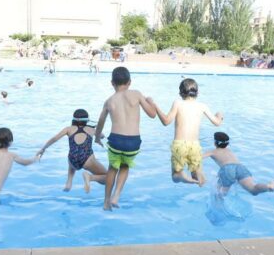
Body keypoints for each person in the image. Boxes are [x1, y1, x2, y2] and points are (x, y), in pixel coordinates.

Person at [95, 67, 157, 210]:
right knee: (125, 165)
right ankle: (116, 196)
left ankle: (106, 202)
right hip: (133, 142)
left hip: (115, 140)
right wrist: (151, 101)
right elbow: (152, 114)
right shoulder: (136, 94)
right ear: (129, 82)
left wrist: (97, 138)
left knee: (112, 168)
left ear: (112, 83)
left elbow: (100, 123)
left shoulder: (109, 101)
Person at [149, 78, 223, 186]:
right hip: (195, 146)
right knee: (199, 179)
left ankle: (181, 175)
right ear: (197, 93)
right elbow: (217, 123)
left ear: (180, 93)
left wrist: (155, 105)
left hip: (180, 145)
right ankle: (199, 176)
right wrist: (219, 115)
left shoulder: (178, 103)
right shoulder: (202, 106)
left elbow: (166, 121)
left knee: (175, 176)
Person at [37, 109, 107, 193]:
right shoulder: (91, 129)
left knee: (74, 153)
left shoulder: (68, 129)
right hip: (87, 159)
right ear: (87, 120)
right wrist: (94, 128)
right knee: (108, 177)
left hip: (72, 160)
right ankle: (90, 177)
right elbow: (102, 136)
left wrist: (43, 149)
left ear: (74, 119)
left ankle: (69, 183)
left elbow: (55, 138)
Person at [203, 132, 274, 196]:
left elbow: (197, 158)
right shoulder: (229, 150)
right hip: (240, 167)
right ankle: (268, 186)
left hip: (227, 169)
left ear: (215, 143)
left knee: (219, 194)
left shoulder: (212, 151)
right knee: (253, 189)